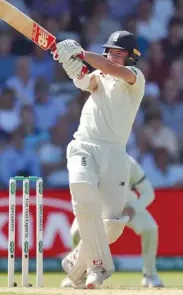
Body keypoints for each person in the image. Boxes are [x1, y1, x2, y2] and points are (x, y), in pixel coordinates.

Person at [53, 31, 145, 288]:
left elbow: (111, 69)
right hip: (84, 145)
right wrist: (73, 67)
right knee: (83, 192)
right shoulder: (99, 76)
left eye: (119, 53)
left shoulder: (135, 78)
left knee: (112, 225)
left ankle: (76, 263)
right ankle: (99, 266)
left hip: (116, 153)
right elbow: (86, 82)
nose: (113, 56)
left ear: (131, 57)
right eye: (110, 52)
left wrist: (80, 54)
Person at [61, 155, 164, 288]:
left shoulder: (129, 163)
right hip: (97, 205)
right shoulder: (89, 162)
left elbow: (148, 193)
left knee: (150, 228)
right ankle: (76, 273)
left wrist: (133, 208)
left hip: (126, 204)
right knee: (76, 232)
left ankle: (150, 275)